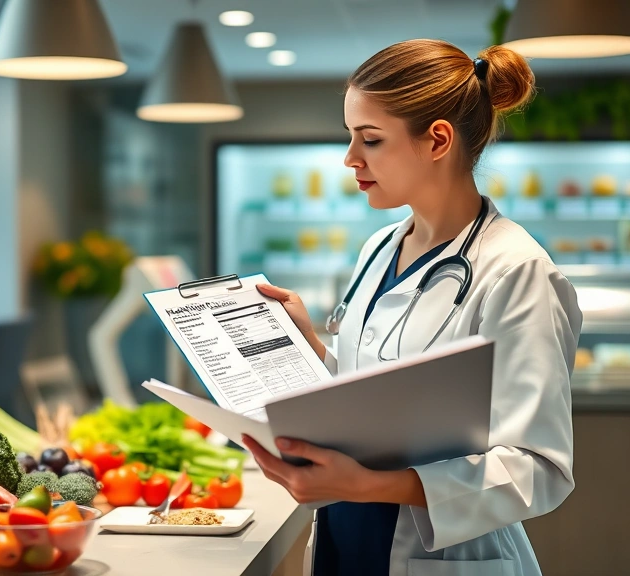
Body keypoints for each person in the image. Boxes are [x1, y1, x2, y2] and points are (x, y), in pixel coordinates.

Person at [244, 39, 583, 576]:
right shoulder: (378, 248)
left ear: (437, 140)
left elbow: (539, 469)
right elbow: (379, 396)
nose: (350, 158)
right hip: (344, 538)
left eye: (370, 139)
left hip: (437, 554)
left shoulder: (517, 271)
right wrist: (311, 348)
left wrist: (373, 485)